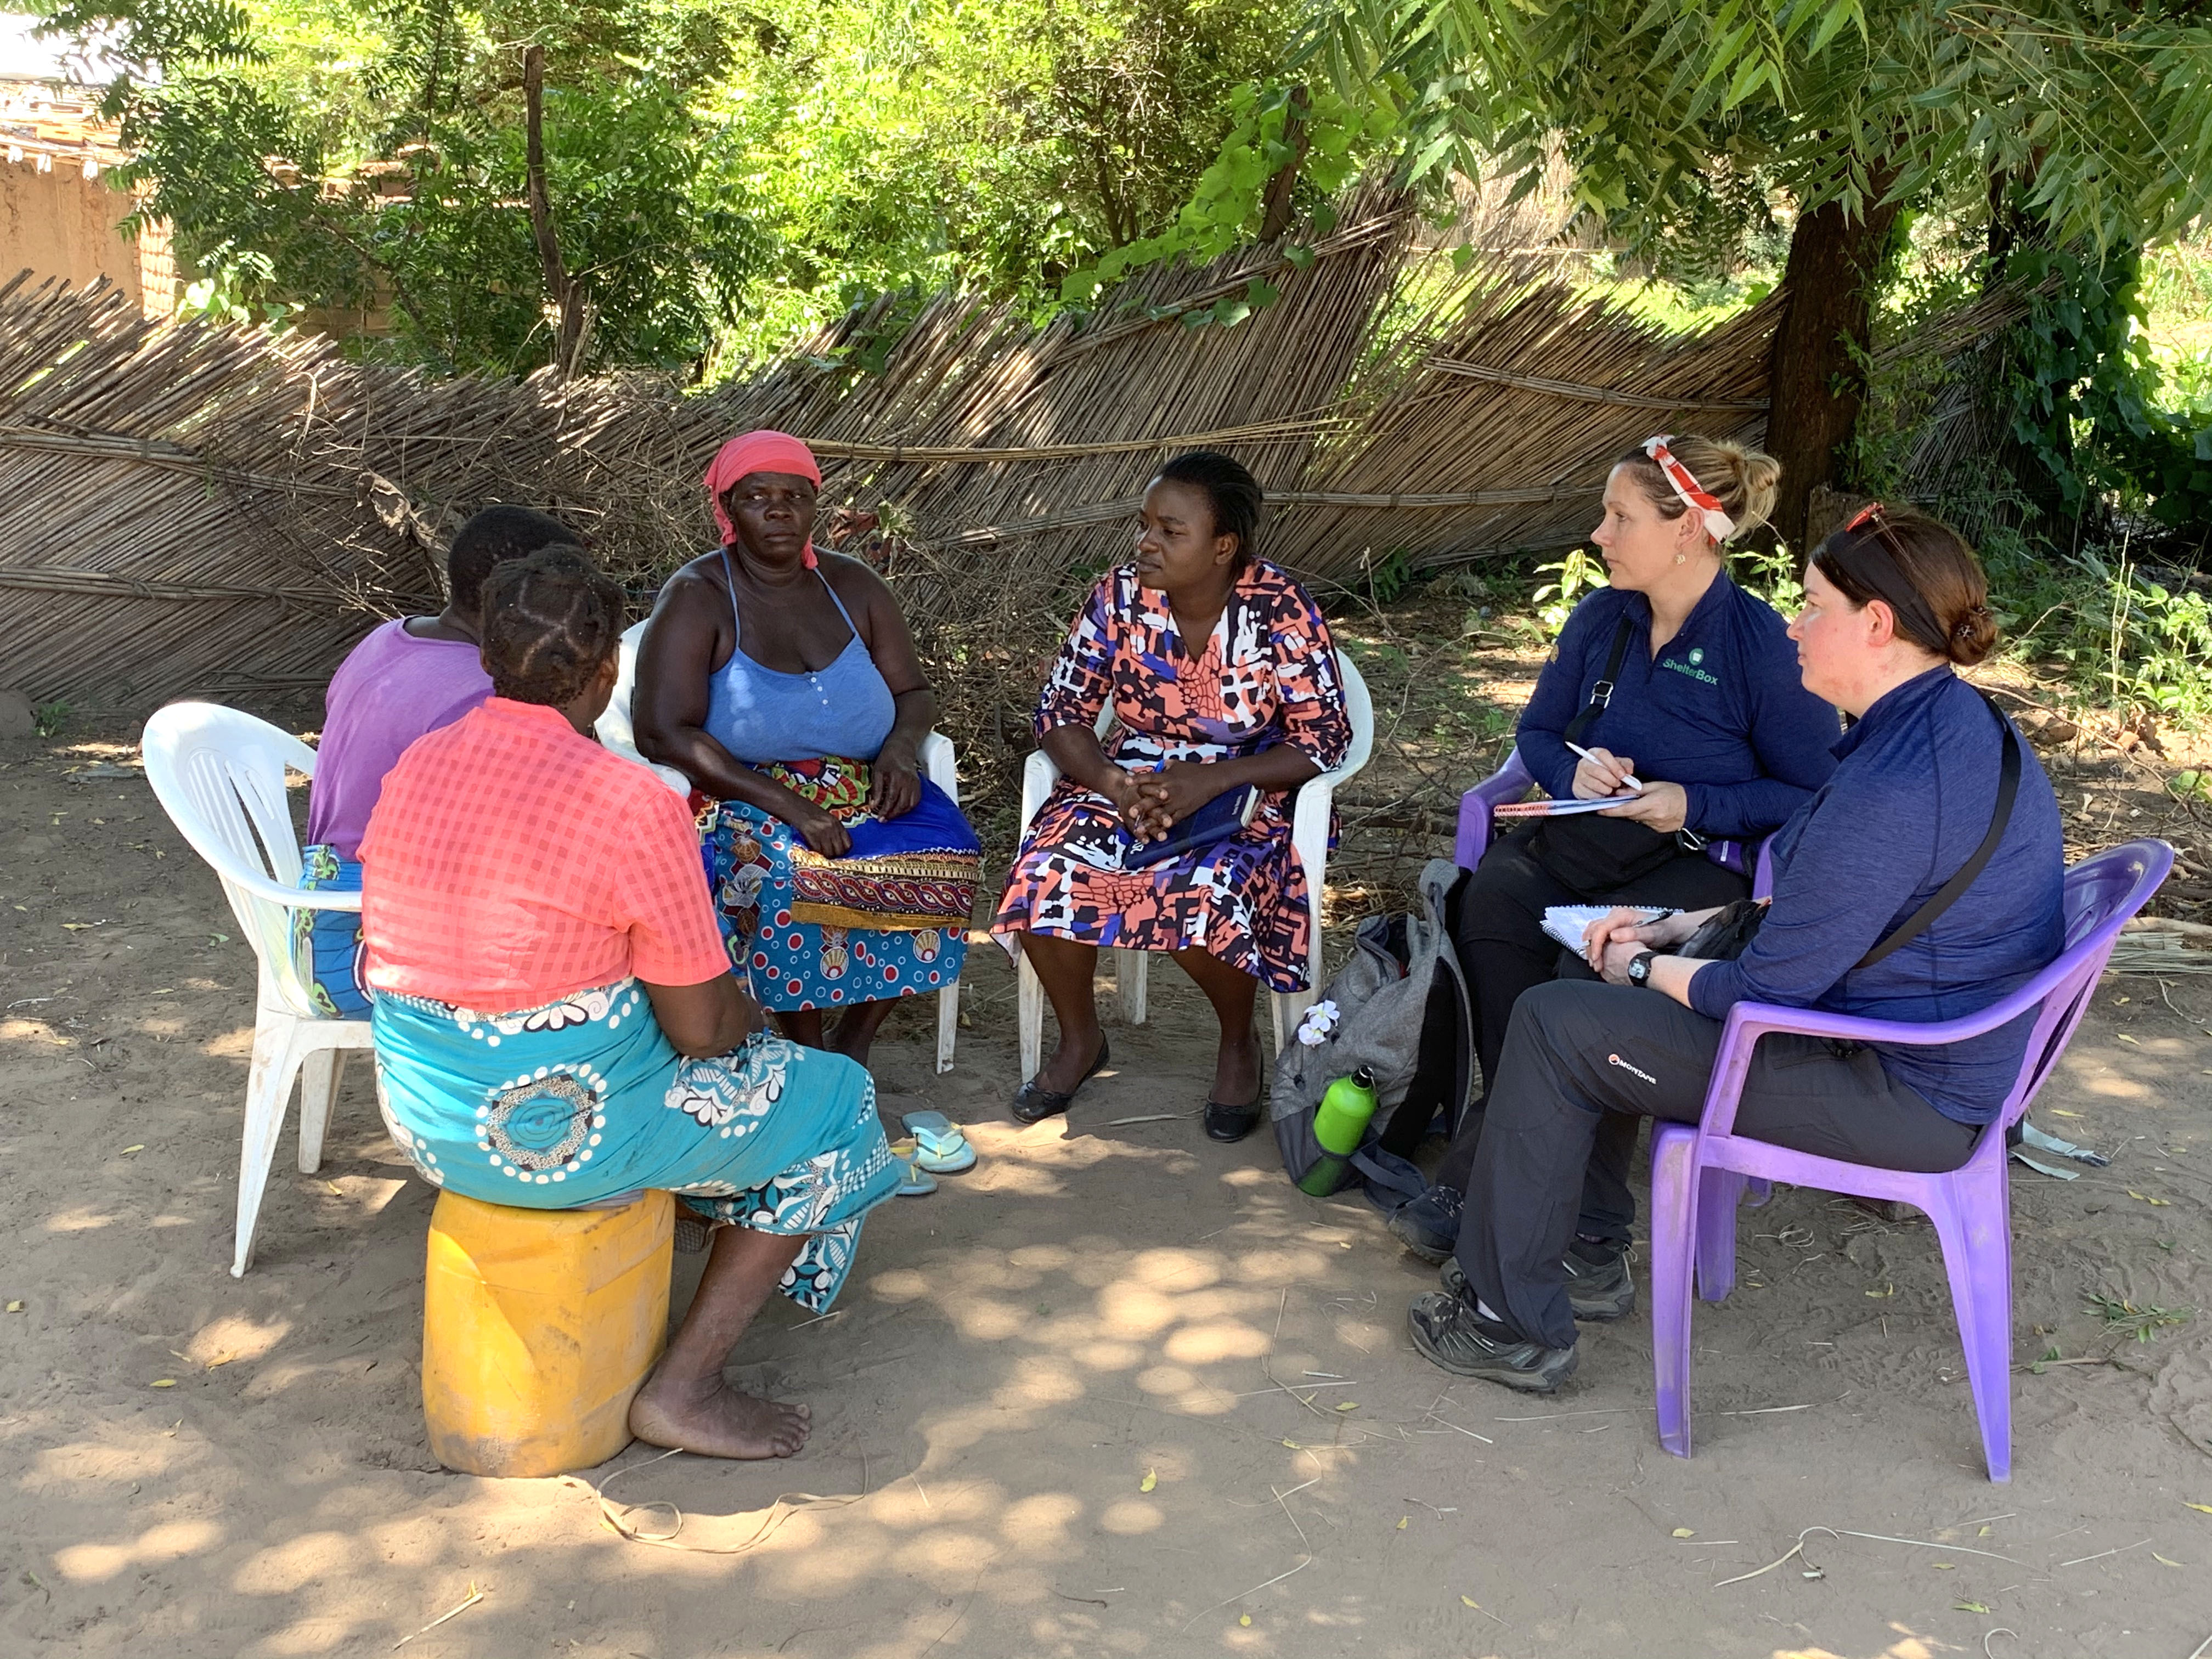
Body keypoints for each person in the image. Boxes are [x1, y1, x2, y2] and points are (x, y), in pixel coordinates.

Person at [1406, 505, 2064, 1392]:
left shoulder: (1893, 785)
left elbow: (1764, 991)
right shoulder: (1948, 719)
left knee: (1560, 1019)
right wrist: (1677, 928)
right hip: (1909, 1040)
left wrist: (1641, 963)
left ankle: (1506, 1322)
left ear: (1875, 624)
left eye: (1813, 604)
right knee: (1598, 1004)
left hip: (1899, 1089)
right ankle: (1590, 1247)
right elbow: (1834, 914)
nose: (1793, 623)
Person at [361, 546, 899, 1458]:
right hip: (561, 1138)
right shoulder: (628, 801)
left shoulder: (419, 764)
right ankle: (685, 1387)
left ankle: (684, 1213)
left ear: (486, 655)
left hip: (425, 1116)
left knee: (643, 1031)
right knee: (835, 1101)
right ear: (610, 667)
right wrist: (750, 1020)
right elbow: (699, 1028)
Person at [1387, 435, 1841, 1268]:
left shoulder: (1762, 650)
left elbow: (1810, 791)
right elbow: (1537, 734)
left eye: (1618, 516)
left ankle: (1537, 1199)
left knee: (1587, 973)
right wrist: (1578, 769)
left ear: (1687, 532)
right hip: (1575, 842)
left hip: (1691, 866)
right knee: (1491, 902)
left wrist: (1692, 803)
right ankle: (1544, 1181)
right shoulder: (1602, 619)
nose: (1598, 535)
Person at [992, 451, 1352, 1142]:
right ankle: (1080, 1040)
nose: (1146, 542)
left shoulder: (1279, 608)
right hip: (1129, 780)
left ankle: (1237, 1042)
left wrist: (1211, 781)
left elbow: (1322, 742)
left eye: (1170, 530)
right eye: (1144, 525)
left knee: (1203, 891)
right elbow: (1061, 712)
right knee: (1042, 877)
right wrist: (1113, 785)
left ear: (1224, 547)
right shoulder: (1119, 597)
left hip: (1247, 792)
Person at [633, 431, 981, 1085]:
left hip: (865, 781)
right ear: (728, 509)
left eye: (795, 496)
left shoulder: (856, 587)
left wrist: (902, 754)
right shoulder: (700, 595)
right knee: (788, 873)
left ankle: (852, 1042)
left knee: (947, 857)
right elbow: (663, 733)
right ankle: (804, 1042)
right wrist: (791, 806)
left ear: (816, 506)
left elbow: (913, 691)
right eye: (757, 497)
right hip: (739, 791)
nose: (779, 510)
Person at [295, 505, 579, 1018]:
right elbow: (509, 855)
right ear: (522, 601)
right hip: (368, 947)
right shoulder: (479, 699)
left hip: (315, 921)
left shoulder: (388, 638)